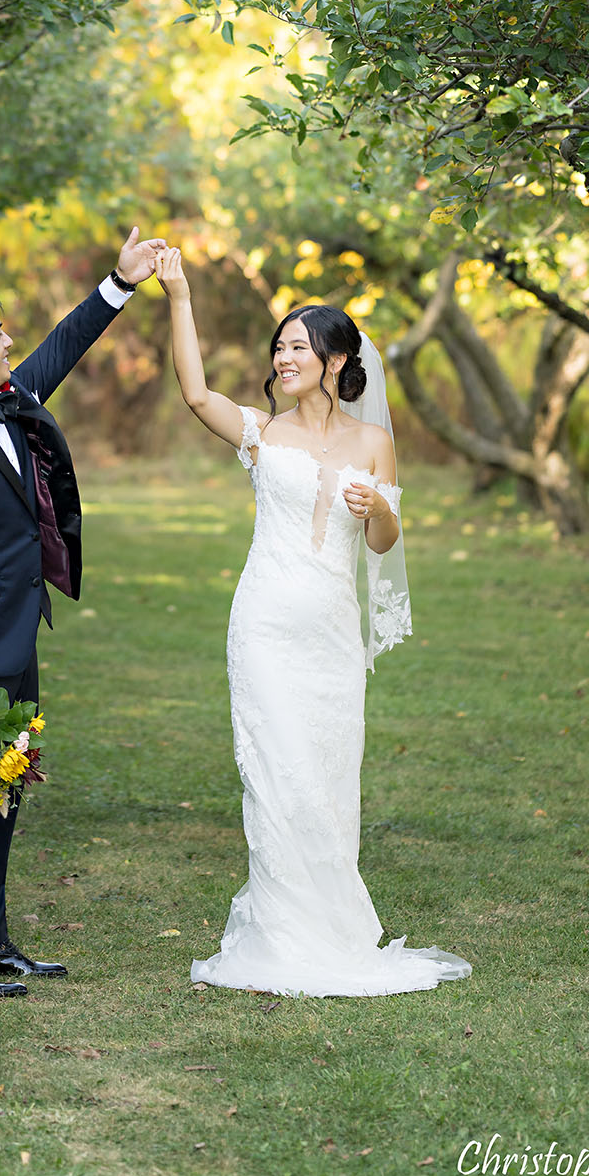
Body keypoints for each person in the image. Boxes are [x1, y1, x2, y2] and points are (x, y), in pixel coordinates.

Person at [155, 245, 471, 997]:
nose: (283, 355)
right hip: (263, 625)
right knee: (274, 772)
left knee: (326, 779)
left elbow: (385, 544)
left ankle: (330, 930)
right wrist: (178, 297)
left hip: (330, 634)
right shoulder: (262, 430)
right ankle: (277, 933)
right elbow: (197, 394)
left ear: (335, 359)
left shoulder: (374, 443)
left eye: (298, 345)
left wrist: (379, 510)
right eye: (279, 346)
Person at [0, 227, 166, 1000]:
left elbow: (58, 351)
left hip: (16, 639)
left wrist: (119, 283)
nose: (12, 339)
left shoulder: (6, 402)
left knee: (2, 789)